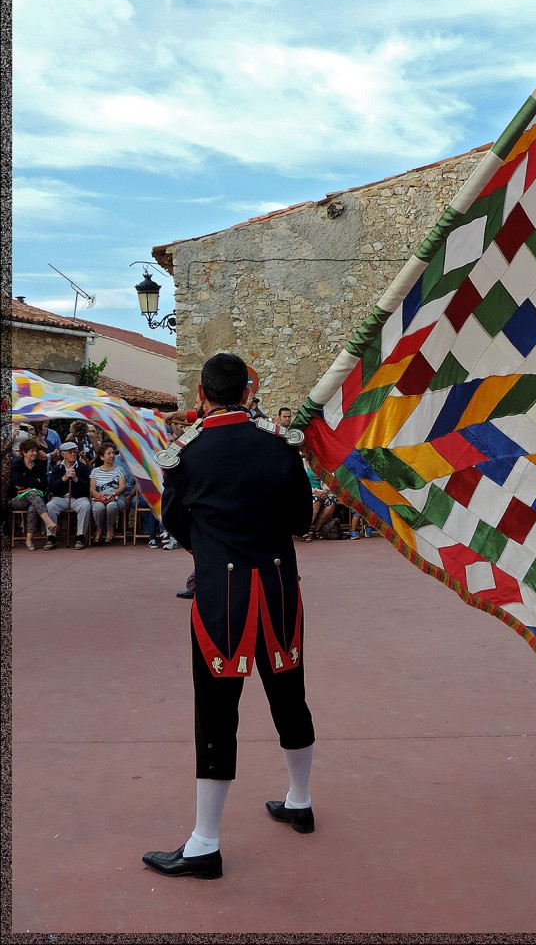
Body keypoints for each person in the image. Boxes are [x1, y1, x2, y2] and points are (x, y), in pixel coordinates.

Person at [142, 352, 315, 880]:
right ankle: (300, 801)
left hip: (223, 595)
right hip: (280, 587)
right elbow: (302, 519)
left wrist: (215, 551)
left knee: (217, 710)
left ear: (202, 393)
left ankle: (204, 843)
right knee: (289, 693)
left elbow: (175, 525)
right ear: (247, 390)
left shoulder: (186, 455)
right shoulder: (280, 447)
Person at [10, 438, 58, 550]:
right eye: (32, 451)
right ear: (24, 452)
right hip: (17, 499)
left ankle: (29, 540)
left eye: (36, 450)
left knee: (33, 507)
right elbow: (17, 481)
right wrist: (36, 482)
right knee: (32, 492)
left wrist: (27, 483)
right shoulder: (17, 465)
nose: (35, 453)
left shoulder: (39, 466)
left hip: (36, 500)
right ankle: (48, 521)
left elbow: (45, 483)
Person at [44, 441, 92, 549]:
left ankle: (80, 537)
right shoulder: (57, 469)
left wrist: (76, 480)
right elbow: (51, 487)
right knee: (50, 506)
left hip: (78, 498)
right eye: (70, 452)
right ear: (63, 454)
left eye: (74, 452)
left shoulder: (82, 468)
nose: (73, 454)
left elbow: (87, 486)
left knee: (86, 506)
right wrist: (63, 479)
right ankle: (51, 538)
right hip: (61, 498)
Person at [90, 442, 126, 544]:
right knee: (98, 508)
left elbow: (122, 487)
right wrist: (99, 496)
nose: (112, 456)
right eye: (108, 453)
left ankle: (110, 527)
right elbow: (92, 489)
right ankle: (100, 528)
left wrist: (112, 494)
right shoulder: (95, 471)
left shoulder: (120, 469)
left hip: (116, 497)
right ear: (102, 457)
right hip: (99, 497)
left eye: (113, 453)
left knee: (111, 506)